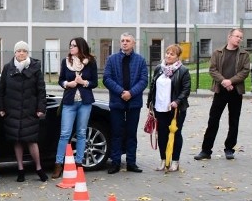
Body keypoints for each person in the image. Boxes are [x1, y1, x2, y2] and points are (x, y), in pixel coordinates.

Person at [193, 28, 251, 160]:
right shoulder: (218, 53)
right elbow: (212, 69)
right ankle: (206, 150)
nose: (239, 39)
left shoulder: (244, 54)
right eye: (237, 36)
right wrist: (223, 81)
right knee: (213, 120)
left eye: (241, 37)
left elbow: (245, 71)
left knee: (234, 121)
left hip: (236, 91)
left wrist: (231, 81)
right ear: (229, 37)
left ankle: (229, 148)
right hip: (220, 91)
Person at [0, 41, 48, 182]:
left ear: (27, 53)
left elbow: (41, 91)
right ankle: (20, 170)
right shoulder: (8, 68)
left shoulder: (35, 68)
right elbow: (0, 90)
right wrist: (0, 108)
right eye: (18, 51)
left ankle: (38, 168)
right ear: (15, 53)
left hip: (29, 111)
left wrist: (40, 109)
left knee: (32, 141)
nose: (21, 53)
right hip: (12, 111)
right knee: (17, 141)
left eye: (24, 51)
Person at [103, 33, 148, 174]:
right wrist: (122, 92)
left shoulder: (140, 60)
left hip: (134, 103)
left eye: (127, 41)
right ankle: (115, 162)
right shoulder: (112, 59)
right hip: (117, 102)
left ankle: (131, 162)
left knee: (131, 133)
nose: (124, 43)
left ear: (133, 43)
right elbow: (107, 79)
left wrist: (131, 93)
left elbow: (143, 80)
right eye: (122, 40)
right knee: (116, 133)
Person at [53, 38, 98, 178]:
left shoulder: (90, 62)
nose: (71, 48)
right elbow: (60, 80)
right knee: (65, 133)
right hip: (69, 102)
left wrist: (84, 82)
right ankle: (58, 164)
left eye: (74, 46)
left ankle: (79, 163)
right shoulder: (65, 61)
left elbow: (95, 82)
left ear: (81, 47)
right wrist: (68, 83)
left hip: (85, 102)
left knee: (81, 133)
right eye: (70, 45)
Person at [147, 44, 191, 172]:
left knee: (176, 134)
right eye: (167, 53)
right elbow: (152, 86)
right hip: (159, 108)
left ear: (177, 57)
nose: (168, 56)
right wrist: (150, 103)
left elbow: (186, 89)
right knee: (161, 135)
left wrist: (177, 101)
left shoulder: (183, 71)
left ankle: (175, 161)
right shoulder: (158, 69)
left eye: (172, 54)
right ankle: (163, 160)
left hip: (176, 109)